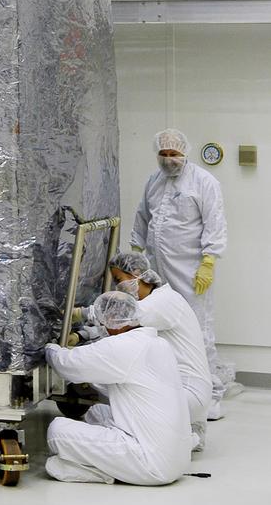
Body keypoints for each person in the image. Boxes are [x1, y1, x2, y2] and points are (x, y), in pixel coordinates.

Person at [45, 290, 191, 485]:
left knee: (57, 431)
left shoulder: (124, 346)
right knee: (97, 412)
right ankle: (107, 464)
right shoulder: (157, 343)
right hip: (178, 459)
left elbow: (67, 364)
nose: (101, 326)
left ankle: (108, 471)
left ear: (112, 319)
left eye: (101, 321)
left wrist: (49, 348)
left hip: (151, 463)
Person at [131, 128, 229, 417]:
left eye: (174, 154)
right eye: (163, 154)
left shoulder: (203, 182)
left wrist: (209, 261)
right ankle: (174, 390)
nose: (169, 159)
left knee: (198, 331)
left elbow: (215, 221)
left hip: (191, 272)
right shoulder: (154, 181)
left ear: (184, 153)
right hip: (156, 272)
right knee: (160, 329)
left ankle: (211, 395)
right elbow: (142, 217)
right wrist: (136, 252)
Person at [75, 250, 213, 450]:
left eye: (118, 279)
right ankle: (184, 434)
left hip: (187, 394)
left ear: (136, 273)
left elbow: (121, 316)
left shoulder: (162, 302)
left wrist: (80, 313)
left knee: (113, 384)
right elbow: (120, 327)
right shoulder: (160, 299)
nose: (118, 287)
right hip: (190, 395)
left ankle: (137, 437)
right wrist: (83, 335)